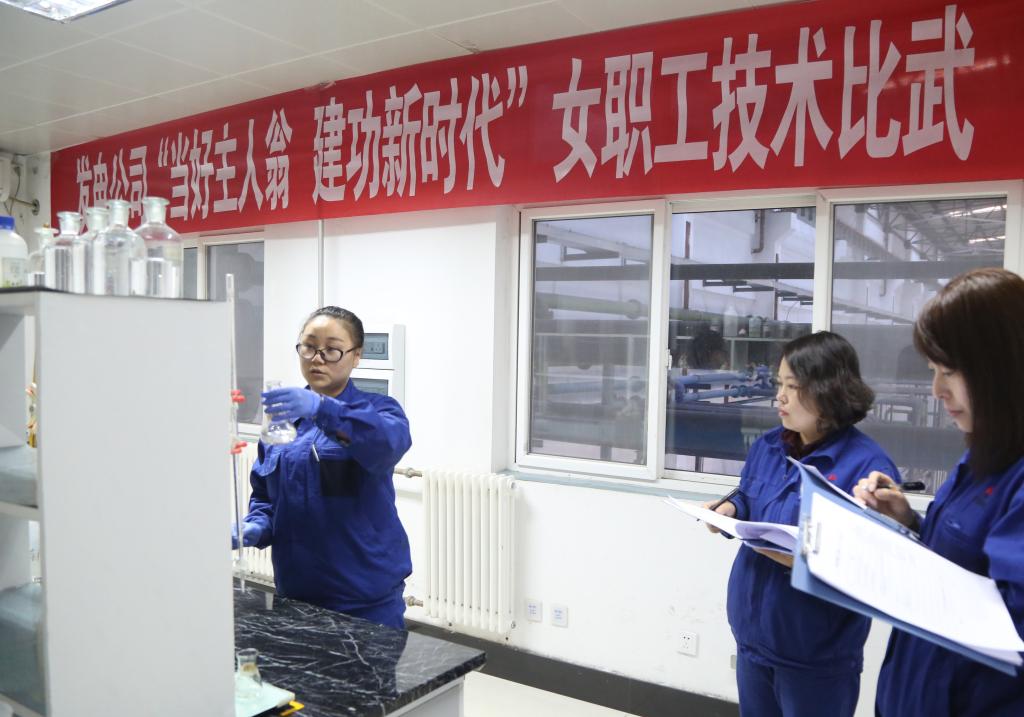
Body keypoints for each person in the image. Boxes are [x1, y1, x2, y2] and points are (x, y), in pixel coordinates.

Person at [854, 268, 1024, 716]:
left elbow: (1008, 630)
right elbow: (971, 560)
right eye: (933, 371)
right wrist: (909, 521)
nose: (936, 391)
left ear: (1004, 367)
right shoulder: (986, 453)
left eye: (949, 371)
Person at [705, 331, 899, 717]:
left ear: (829, 391)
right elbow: (750, 495)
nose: (780, 397)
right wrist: (730, 508)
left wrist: (805, 559)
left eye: (792, 387)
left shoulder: (866, 467)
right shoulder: (769, 446)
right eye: (780, 384)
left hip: (816, 657)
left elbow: (869, 566)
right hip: (753, 639)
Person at [236, 306, 413, 629]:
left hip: (364, 601)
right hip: (296, 594)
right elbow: (266, 495)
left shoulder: (380, 411)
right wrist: (256, 526)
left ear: (356, 356)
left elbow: (384, 445)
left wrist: (322, 409)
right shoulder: (283, 425)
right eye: (309, 346)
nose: (317, 358)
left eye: (332, 350)